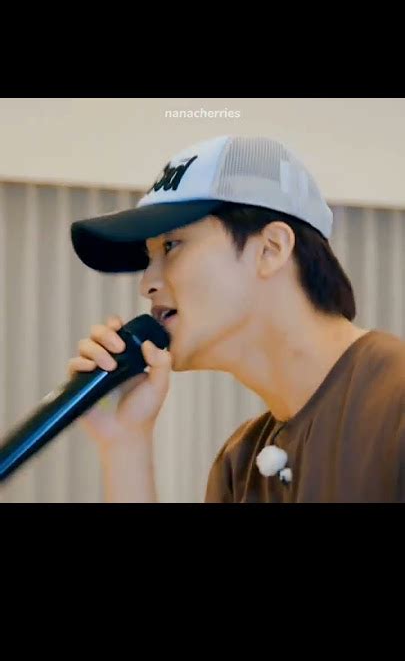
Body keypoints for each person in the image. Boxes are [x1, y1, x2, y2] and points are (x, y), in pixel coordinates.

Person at [69, 135, 405, 502]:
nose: (146, 284)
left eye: (171, 245)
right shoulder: (240, 466)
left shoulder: (395, 402)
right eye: (150, 258)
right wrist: (125, 443)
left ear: (271, 249)